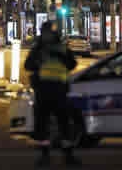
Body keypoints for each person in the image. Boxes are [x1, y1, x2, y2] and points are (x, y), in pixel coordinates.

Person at [24, 21, 79, 168]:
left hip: (48, 91)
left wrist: (40, 62)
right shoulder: (59, 48)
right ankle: (62, 155)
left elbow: (28, 65)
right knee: (59, 124)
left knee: (50, 125)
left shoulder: (40, 49)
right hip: (55, 91)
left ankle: (51, 156)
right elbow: (72, 64)